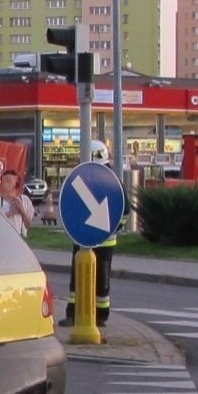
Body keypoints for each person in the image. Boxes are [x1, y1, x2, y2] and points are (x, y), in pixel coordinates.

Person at [64, 140, 122, 328]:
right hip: (85, 237)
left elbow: (123, 211)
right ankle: (87, 315)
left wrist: (110, 228)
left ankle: (93, 315)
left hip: (93, 239)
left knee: (92, 280)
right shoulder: (102, 178)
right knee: (84, 279)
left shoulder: (107, 179)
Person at [0, 169, 35, 238]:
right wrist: (10, 212)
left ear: (16, 184)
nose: (4, 184)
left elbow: (28, 225)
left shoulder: (25, 200)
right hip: (2, 237)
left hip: (19, 239)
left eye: (8, 181)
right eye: (3, 181)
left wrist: (22, 211)